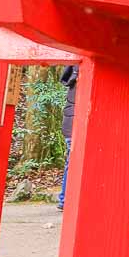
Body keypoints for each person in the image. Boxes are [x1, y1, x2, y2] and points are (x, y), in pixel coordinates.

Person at [56, 64, 79, 210]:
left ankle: (64, 198)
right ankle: (65, 199)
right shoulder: (81, 78)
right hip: (75, 125)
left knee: (70, 163)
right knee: (72, 163)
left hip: (70, 125)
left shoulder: (74, 78)